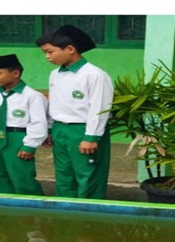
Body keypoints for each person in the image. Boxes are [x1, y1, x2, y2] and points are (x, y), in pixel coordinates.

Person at [36, 24, 112, 199]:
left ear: (70, 49)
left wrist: (91, 137)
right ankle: (67, 212)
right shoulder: (55, 74)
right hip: (60, 129)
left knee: (88, 175)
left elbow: (100, 108)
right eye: (44, 53)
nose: (47, 57)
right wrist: (49, 129)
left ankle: (89, 216)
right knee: (64, 174)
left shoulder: (94, 75)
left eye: (50, 51)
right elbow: (54, 104)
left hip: (83, 130)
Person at [0, 54, 48, 196]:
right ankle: (7, 206)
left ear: (15, 73)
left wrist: (30, 145)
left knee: (22, 176)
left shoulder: (32, 96)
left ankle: (33, 209)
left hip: (17, 137)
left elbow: (38, 122)